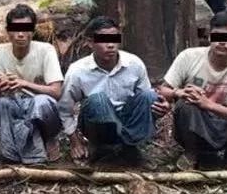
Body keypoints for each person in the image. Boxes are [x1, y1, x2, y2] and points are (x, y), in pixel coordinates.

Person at [159, 11, 227, 168]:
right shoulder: (189, 57)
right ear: (210, 36)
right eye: (218, 36)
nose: (222, 43)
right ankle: (192, 153)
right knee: (185, 103)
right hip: (195, 123)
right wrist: (178, 92)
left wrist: (208, 104)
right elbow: (163, 90)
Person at [58, 17, 164, 163]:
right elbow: (64, 108)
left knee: (149, 96)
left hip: (127, 119)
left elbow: (145, 102)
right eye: (103, 40)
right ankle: (102, 147)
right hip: (96, 121)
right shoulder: (77, 71)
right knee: (98, 100)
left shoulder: (134, 64)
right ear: (90, 43)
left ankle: (129, 147)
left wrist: (159, 106)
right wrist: (75, 141)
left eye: (114, 39)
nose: (110, 45)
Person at [0, 4, 64, 163]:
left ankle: (48, 138)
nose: (20, 34)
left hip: (37, 105)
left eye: (26, 29)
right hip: (14, 104)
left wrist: (24, 84)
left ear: (33, 30)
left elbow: (56, 92)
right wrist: (0, 85)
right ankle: (14, 144)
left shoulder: (46, 50)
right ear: (8, 31)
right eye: (15, 29)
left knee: (41, 103)